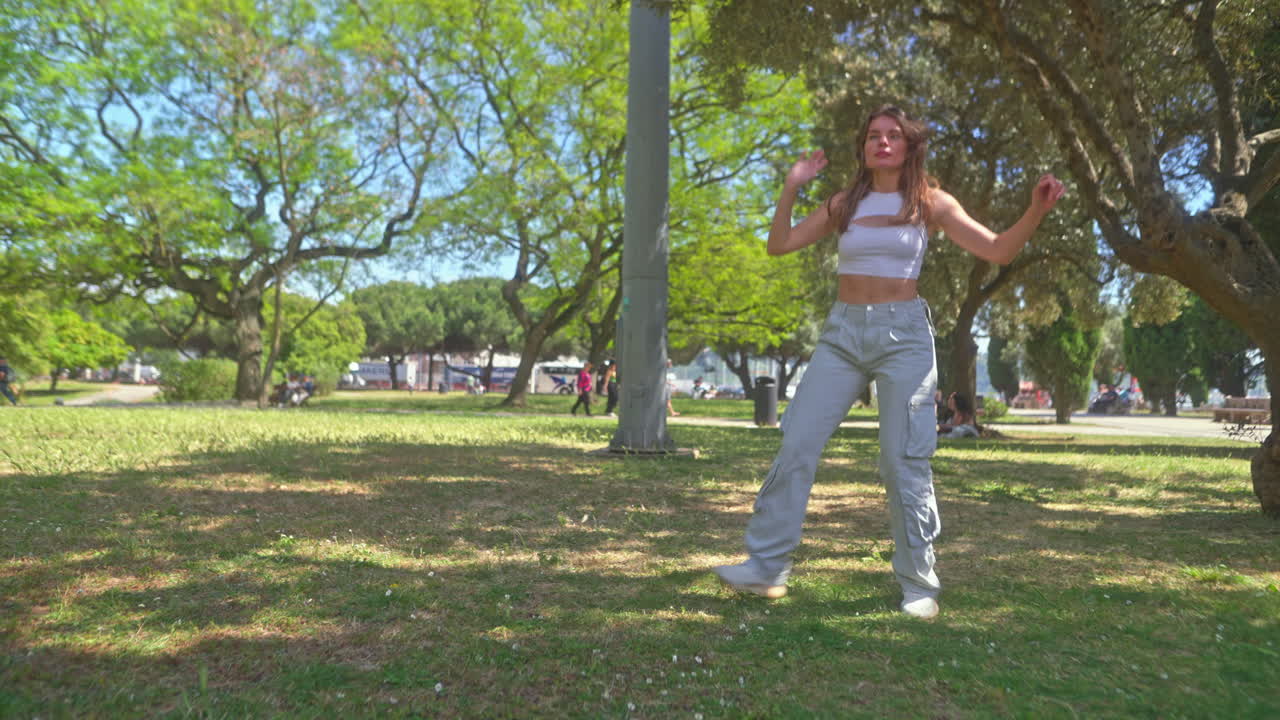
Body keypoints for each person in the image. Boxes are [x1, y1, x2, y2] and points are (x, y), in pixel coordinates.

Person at [712, 104, 1064, 619]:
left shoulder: (930, 202)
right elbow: (779, 245)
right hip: (843, 333)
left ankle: (919, 584)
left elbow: (998, 250)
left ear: (908, 146)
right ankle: (766, 567)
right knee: (797, 440)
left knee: (904, 460)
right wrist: (792, 185)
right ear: (863, 148)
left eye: (892, 136)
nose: (882, 143)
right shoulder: (843, 204)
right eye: (873, 136)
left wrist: (1035, 210)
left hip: (904, 336)